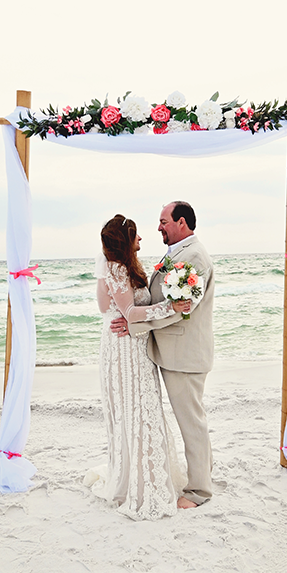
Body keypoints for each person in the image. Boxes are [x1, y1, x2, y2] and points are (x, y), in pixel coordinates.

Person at [111, 200, 214, 509]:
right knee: (192, 419)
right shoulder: (179, 253)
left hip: (185, 354)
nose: (158, 227)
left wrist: (135, 326)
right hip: (173, 352)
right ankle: (203, 473)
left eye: (163, 221)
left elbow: (181, 310)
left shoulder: (194, 257)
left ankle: (199, 491)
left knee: (191, 422)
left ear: (181, 223)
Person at [92, 214, 191, 521]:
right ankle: (139, 482)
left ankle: (143, 471)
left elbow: (115, 310)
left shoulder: (120, 267)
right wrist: (170, 307)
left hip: (132, 347)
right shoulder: (118, 269)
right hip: (126, 351)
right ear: (125, 241)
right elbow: (130, 313)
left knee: (141, 409)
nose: (140, 239)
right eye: (135, 236)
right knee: (137, 410)